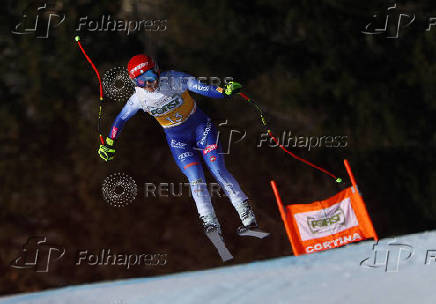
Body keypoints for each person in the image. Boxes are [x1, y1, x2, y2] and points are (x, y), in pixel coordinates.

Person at [98, 54, 259, 238]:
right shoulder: (139, 98)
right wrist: (110, 143)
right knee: (195, 178)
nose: (149, 84)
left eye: (150, 77)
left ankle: (247, 216)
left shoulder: (175, 79)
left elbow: (204, 88)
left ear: (157, 70)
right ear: (135, 83)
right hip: (177, 140)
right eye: (141, 82)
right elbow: (121, 119)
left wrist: (224, 91)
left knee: (218, 169)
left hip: (200, 128)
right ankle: (210, 222)